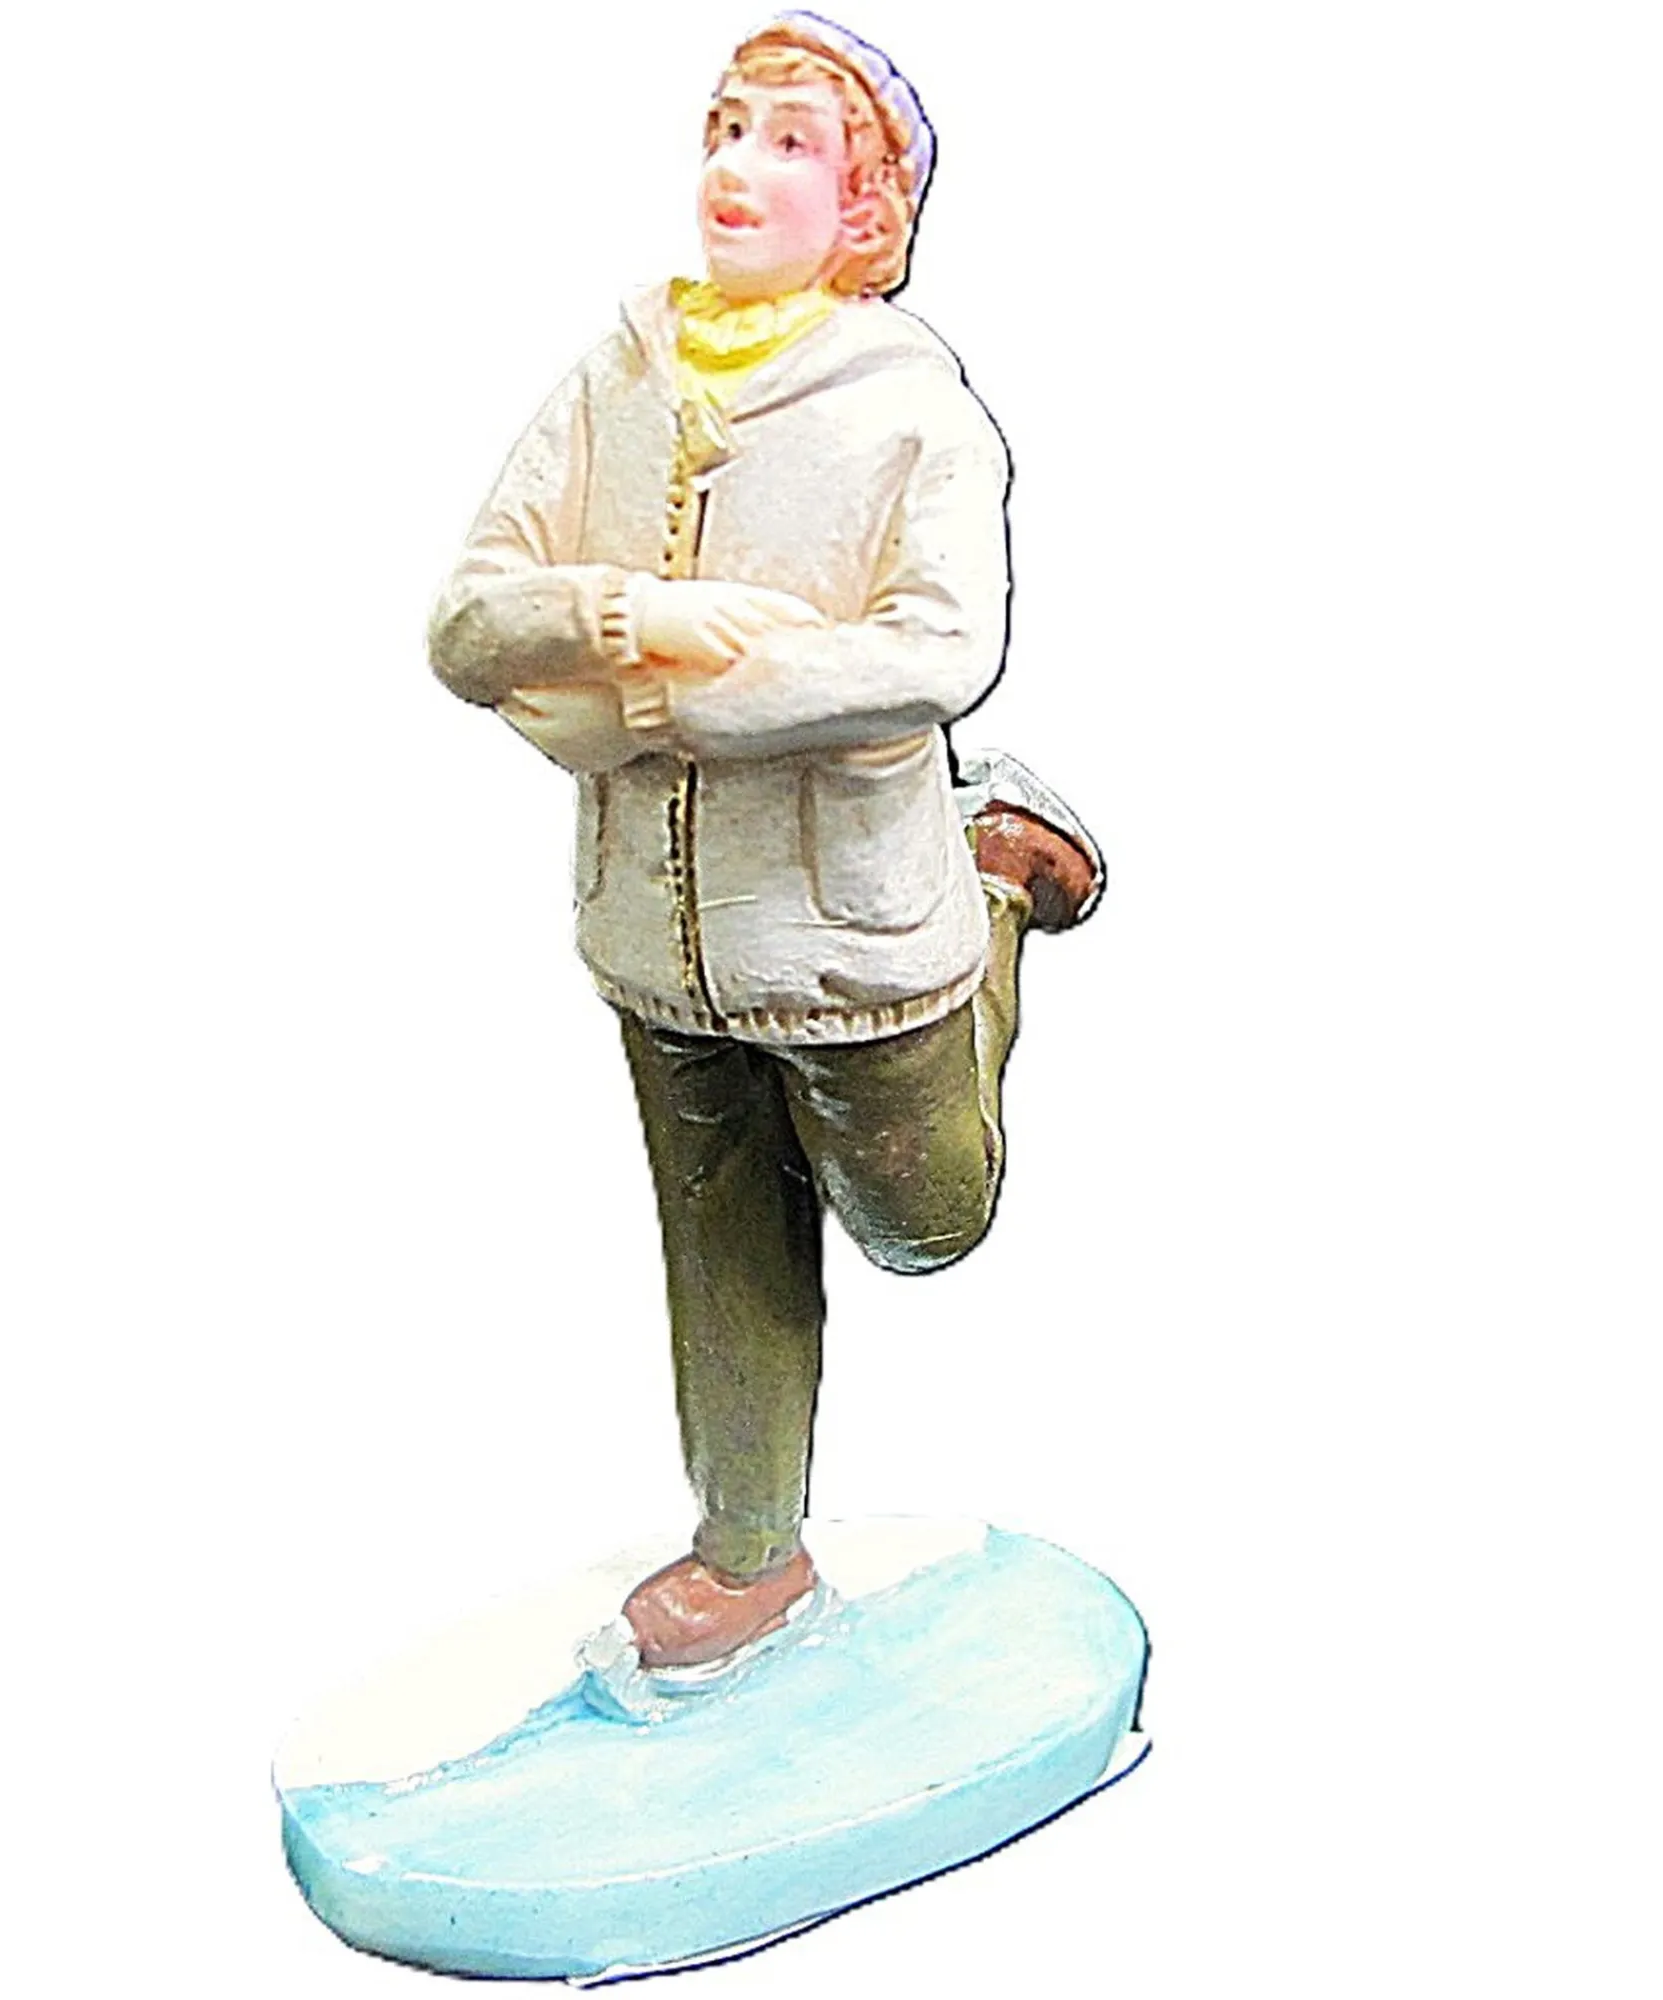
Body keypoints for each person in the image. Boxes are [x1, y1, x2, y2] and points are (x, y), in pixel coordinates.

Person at [427, 13, 1102, 1671]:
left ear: (866, 203)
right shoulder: (615, 378)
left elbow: (940, 651)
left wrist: (687, 698)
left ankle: (997, 877)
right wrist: (622, 615)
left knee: (926, 1224)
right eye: (727, 129)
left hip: (851, 935)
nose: (738, 169)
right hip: (655, 931)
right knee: (722, 1250)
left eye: (792, 142)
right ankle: (748, 1556)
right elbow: (466, 624)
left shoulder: (912, 415)